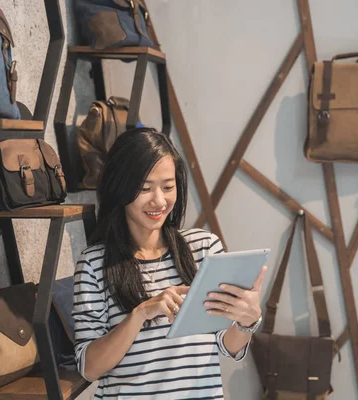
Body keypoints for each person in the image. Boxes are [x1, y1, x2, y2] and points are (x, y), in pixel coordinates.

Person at [72, 128, 266, 399]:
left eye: (167, 187)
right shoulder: (94, 265)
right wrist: (139, 314)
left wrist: (248, 320)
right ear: (120, 187)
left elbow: (227, 345)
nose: (159, 201)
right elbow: (90, 368)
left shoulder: (204, 248)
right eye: (145, 188)